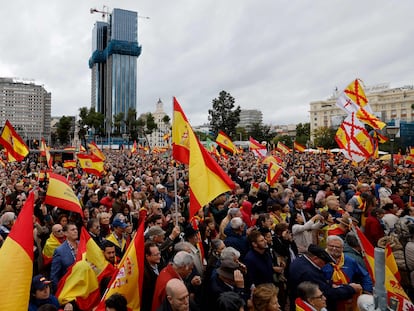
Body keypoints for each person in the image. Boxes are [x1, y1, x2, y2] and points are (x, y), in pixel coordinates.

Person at [288, 244, 360, 311]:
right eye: (324, 262)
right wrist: (351, 289)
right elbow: (327, 294)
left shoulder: (301, 260)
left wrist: (330, 284)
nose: (324, 265)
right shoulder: (309, 273)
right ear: (315, 258)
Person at [50, 223, 78, 291]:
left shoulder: (82, 245)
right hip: (69, 288)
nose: (76, 231)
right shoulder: (60, 251)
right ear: (65, 233)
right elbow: (54, 276)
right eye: (72, 230)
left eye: (76, 229)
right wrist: (59, 292)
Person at [142, 241, 162, 311]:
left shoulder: (161, 264)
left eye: (159, 253)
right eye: (156, 255)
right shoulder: (144, 274)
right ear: (147, 256)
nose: (159, 256)